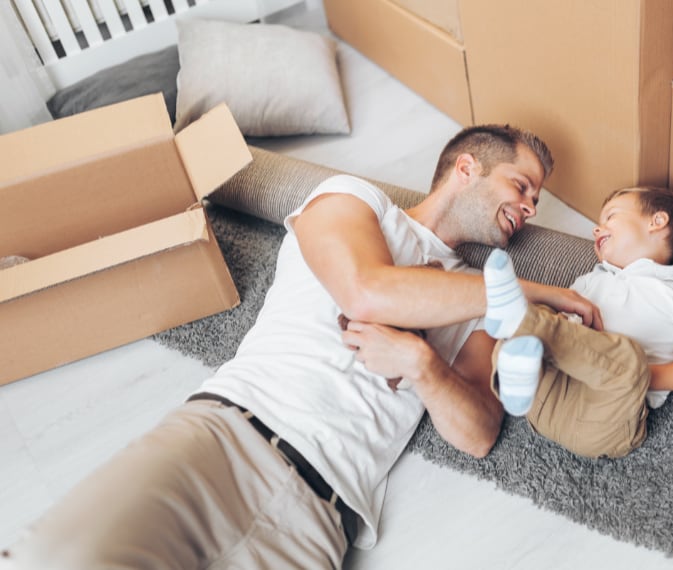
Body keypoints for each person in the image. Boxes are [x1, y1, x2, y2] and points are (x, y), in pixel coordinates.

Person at [1, 124, 601, 569]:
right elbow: (365, 293)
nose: (527, 208)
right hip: (225, 442)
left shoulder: (476, 308)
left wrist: (423, 366)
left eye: (536, 203)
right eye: (522, 187)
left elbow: (479, 432)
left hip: (319, 519)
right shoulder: (354, 202)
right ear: (466, 168)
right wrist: (526, 292)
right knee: (61, 557)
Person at [481, 186, 673, 459]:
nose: (597, 230)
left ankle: (518, 323)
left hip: (605, 415)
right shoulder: (590, 281)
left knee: (627, 357)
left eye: (610, 217)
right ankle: (518, 368)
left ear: (657, 222)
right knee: (545, 315)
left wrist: (640, 377)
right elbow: (561, 329)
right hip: (544, 398)